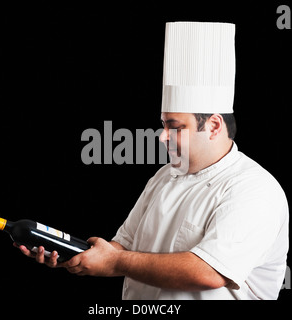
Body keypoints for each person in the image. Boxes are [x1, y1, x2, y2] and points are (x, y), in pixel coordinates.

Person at [16, 22, 289, 300]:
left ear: (214, 126)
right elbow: (122, 249)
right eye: (163, 124)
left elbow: (208, 271)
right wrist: (76, 256)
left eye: (174, 126)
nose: (162, 136)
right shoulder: (164, 177)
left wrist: (114, 261)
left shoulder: (253, 189)